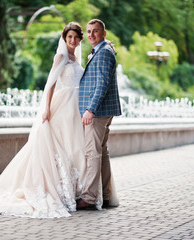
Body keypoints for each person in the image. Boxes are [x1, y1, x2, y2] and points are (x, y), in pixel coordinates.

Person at [0, 22, 87, 218]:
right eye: (70, 37)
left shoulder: (77, 58)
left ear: (80, 39)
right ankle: (55, 189)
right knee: (57, 145)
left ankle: (73, 189)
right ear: (65, 38)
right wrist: (47, 109)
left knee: (72, 147)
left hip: (76, 107)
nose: (73, 40)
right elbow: (51, 84)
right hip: (62, 105)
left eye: (76, 37)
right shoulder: (60, 56)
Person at [77, 19, 122, 210]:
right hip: (104, 111)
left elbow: (102, 84)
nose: (91, 35)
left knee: (92, 153)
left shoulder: (103, 52)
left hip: (98, 112)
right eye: (88, 31)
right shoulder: (103, 50)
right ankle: (106, 195)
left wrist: (91, 109)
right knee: (102, 153)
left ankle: (88, 197)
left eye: (95, 31)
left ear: (103, 34)